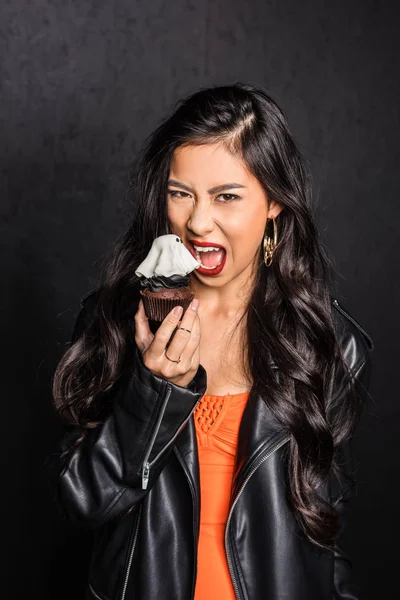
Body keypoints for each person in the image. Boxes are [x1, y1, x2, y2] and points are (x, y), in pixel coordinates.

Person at [47, 83, 374, 600]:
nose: (198, 221)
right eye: (181, 193)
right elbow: (80, 502)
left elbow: (323, 538)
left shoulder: (330, 345)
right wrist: (153, 391)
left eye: (226, 196)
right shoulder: (112, 318)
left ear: (274, 204)